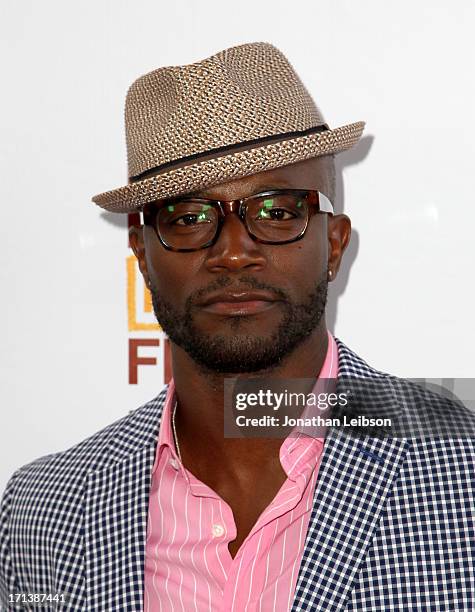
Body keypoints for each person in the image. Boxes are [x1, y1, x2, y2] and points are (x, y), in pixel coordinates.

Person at [1, 42, 474, 612]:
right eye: (189, 217)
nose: (233, 252)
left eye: (276, 212)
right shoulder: (43, 512)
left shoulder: (461, 471)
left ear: (335, 243)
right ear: (142, 255)